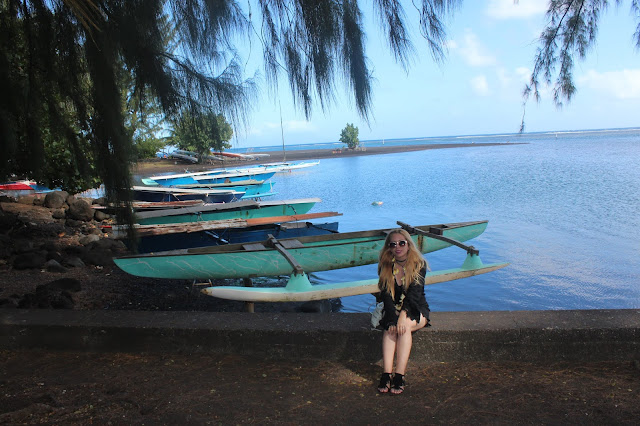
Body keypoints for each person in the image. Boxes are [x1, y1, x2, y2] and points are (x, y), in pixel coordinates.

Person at [376, 229, 430, 395]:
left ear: (408, 244)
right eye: (393, 244)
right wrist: (392, 318)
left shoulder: (418, 264)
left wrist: (402, 316)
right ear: (389, 248)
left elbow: (414, 295)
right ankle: (386, 374)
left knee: (403, 326)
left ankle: (399, 375)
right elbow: (385, 296)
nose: (397, 247)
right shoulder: (385, 266)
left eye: (401, 243)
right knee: (390, 327)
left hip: (416, 309)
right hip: (394, 309)